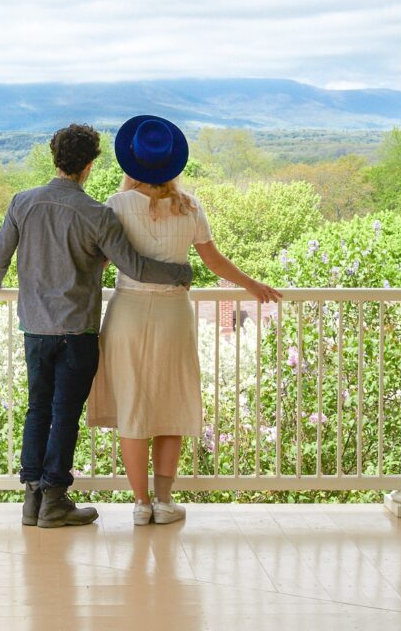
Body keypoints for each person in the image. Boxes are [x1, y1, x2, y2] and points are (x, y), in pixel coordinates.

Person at [0, 123, 193, 529]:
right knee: (64, 414)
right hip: (77, 331)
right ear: (90, 165)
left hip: (36, 328)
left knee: (37, 410)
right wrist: (181, 273)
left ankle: (32, 500)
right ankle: (55, 498)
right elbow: (134, 266)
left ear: (55, 158)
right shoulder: (96, 214)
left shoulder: (22, 203)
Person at [87, 115, 282, 526]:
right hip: (174, 313)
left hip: (128, 313)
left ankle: (140, 505)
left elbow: (99, 261)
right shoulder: (190, 206)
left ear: (131, 162)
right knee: (170, 404)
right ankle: (163, 500)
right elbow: (213, 262)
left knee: (134, 407)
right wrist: (253, 285)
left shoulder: (116, 206)